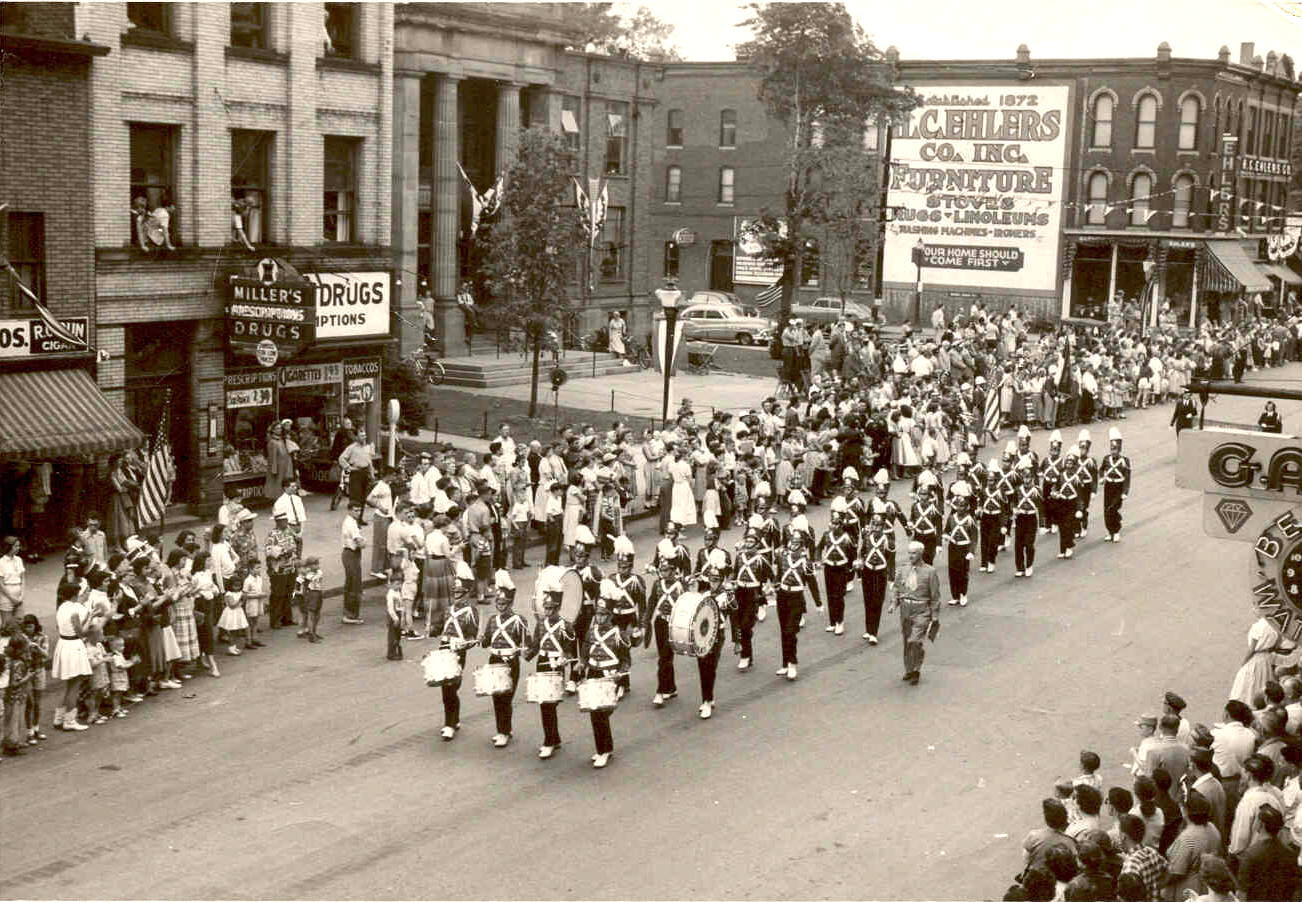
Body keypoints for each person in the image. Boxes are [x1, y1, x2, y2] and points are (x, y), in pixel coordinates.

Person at [526, 571, 576, 760]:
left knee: (550, 703)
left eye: (550, 609)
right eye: (545, 608)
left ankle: (550, 741)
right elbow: (535, 645)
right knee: (544, 703)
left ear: (557, 608)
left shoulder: (566, 626)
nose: (547, 612)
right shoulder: (540, 624)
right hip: (542, 663)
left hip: (556, 666)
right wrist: (526, 654)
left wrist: (565, 658)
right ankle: (553, 738)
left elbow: (571, 650)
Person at [479, 570, 527, 748]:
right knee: (496, 697)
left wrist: (524, 650)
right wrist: (482, 640)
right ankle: (503, 729)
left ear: (511, 603)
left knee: (506, 698)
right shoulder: (492, 620)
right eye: (498, 602)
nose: (500, 606)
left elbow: (526, 642)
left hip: (510, 662)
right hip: (494, 660)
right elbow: (486, 641)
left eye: (504, 603)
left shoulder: (518, 620)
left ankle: (504, 731)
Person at [583, 600, 630, 769]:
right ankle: (602, 749)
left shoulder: (619, 634)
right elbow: (584, 654)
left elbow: (626, 661)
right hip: (593, 673)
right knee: (594, 712)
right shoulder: (590, 633)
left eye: (603, 614)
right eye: (598, 614)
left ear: (610, 616)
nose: (600, 618)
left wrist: (620, 674)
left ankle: (605, 750)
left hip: (609, 675)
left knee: (602, 713)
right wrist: (581, 664)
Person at [437, 562, 480, 741]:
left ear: (467, 593)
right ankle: (453, 720)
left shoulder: (471, 612)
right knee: (445, 689)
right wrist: (432, 629)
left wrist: (462, 645)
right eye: (454, 592)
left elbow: (472, 637)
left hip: (458, 651)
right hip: (444, 648)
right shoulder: (448, 609)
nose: (455, 596)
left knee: (451, 687)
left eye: (459, 593)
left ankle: (450, 723)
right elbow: (440, 629)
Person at [889, 540, 941, 685]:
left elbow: (935, 596)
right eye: (909, 553)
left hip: (921, 610)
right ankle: (909, 669)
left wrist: (935, 617)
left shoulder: (930, 572)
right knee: (907, 641)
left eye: (914, 553)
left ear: (921, 554)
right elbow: (896, 588)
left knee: (915, 641)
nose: (910, 556)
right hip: (906, 609)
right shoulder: (903, 569)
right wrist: (894, 603)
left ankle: (916, 669)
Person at [644, 546, 687, 704]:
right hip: (660, 622)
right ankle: (671, 687)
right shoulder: (657, 584)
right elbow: (651, 603)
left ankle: (661, 691)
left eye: (666, 569)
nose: (663, 572)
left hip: (674, 624)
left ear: (674, 570)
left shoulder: (681, 585)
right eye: (661, 569)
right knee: (665, 656)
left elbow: (687, 605)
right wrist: (646, 621)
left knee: (664, 657)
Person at [1235, 803, 1297, 901]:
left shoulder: (1250, 854)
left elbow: (1242, 892)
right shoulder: (1289, 853)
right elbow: (1293, 888)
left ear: (1261, 824)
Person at [265, 512, 298, 629]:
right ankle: (275, 620)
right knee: (278, 595)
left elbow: (296, 543)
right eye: (283, 520)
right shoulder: (272, 535)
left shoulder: (289, 532)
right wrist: (284, 552)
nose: (286, 522)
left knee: (289, 594)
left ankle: (287, 618)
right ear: (278, 522)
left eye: (286, 520)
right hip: (279, 570)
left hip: (291, 568)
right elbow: (269, 552)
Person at [1101, 427, 1131, 543]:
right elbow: (1101, 469)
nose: (1113, 451)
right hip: (1108, 485)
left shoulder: (1125, 461)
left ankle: (1116, 530)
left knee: (1114, 509)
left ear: (1119, 449)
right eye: (1112, 449)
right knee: (1106, 509)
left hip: (1118, 487)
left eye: (1116, 449)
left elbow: (1127, 477)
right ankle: (1110, 531)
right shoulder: (1106, 459)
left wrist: (1125, 492)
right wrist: (1101, 478)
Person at [340, 501, 366, 625]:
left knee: (351, 583)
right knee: (354, 585)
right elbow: (360, 542)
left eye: (359, 510)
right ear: (349, 510)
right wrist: (364, 542)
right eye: (355, 510)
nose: (358, 512)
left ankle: (349, 612)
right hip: (351, 553)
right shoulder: (351, 523)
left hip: (352, 554)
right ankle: (350, 614)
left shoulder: (351, 522)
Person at [0, 537, 24, 629]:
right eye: (16, 546)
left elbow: (23, 579)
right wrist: (12, 598)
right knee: (7, 626)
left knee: (20, 623)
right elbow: (1, 583)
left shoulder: (19, 560)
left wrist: (21, 595)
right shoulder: (1, 562)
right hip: (6, 599)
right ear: (9, 547)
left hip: (19, 597)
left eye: (19, 546)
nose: (18, 548)